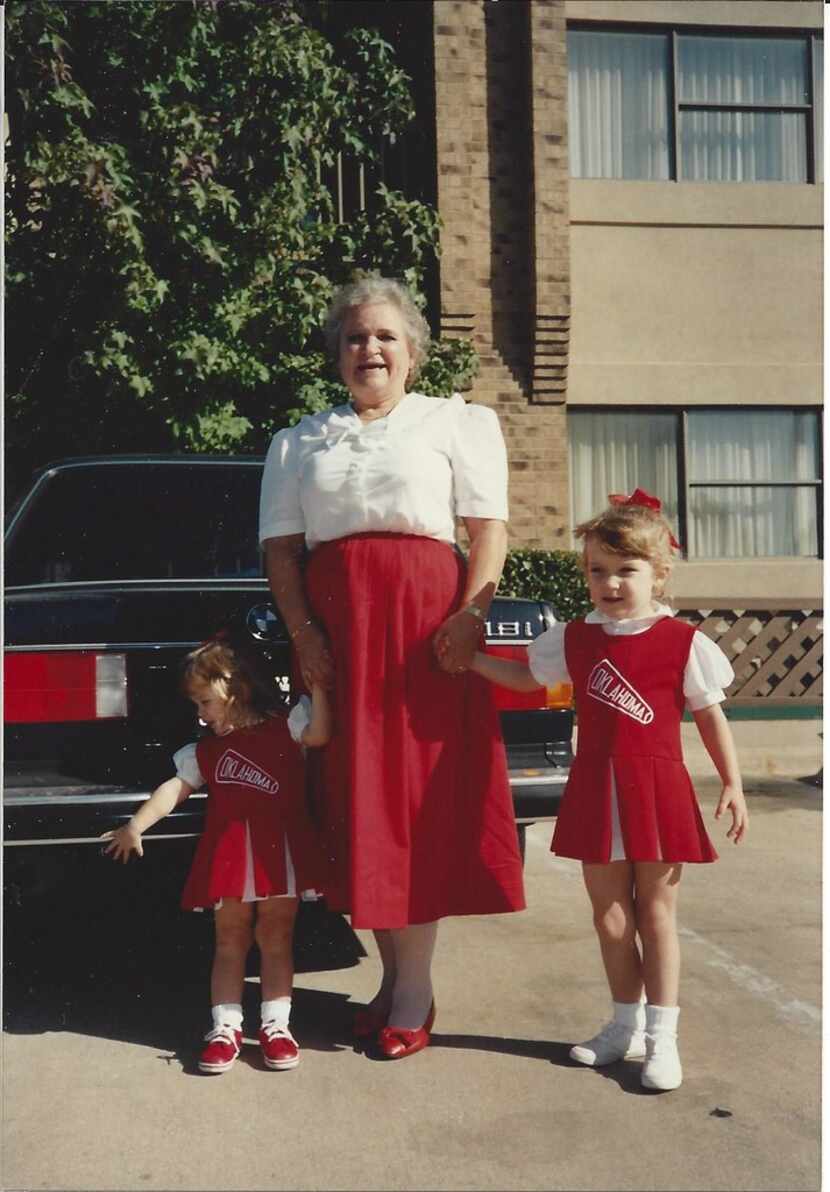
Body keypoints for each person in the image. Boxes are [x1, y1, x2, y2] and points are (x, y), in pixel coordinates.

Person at [259, 274, 524, 1061]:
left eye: (384, 337)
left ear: (412, 351)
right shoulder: (299, 440)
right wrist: (304, 634)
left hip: (426, 634)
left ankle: (414, 992)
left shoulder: (458, 422)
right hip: (341, 634)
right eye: (353, 338)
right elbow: (281, 551)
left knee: (414, 808)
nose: (368, 349)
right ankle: (390, 984)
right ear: (336, 355)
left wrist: (472, 616)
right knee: (357, 805)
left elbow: (487, 532)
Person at [469, 488, 748, 1091]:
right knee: (611, 920)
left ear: (659, 575)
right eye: (598, 571)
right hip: (596, 787)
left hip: (658, 787)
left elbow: (709, 714)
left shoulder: (684, 642)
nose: (612, 583)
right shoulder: (575, 638)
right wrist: (474, 660)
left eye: (627, 570)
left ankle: (662, 1039)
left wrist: (732, 781)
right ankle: (624, 1026)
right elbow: (526, 678)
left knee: (657, 915)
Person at [101, 638, 330, 1075]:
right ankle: (225, 1028)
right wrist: (136, 825)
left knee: (277, 936)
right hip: (230, 858)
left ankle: (276, 1026)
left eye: (205, 701)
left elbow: (320, 732)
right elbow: (175, 788)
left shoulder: (286, 725)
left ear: (235, 687)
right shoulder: (204, 750)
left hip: (279, 854)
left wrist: (319, 688)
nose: (200, 713)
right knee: (229, 940)